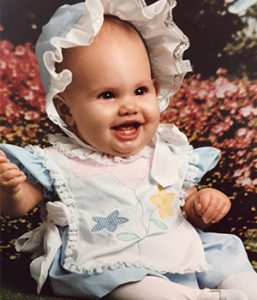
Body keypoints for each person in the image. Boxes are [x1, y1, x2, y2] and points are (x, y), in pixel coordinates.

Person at [0, 1, 256, 299]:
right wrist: (11, 190)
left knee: (232, 266)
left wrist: (205, 203)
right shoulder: (61, 162)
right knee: (137, 289)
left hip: (175, 248)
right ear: (66, 110)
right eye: (108, 95)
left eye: (140, 90)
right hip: (107, 262)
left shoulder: (169, 152)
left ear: (155, 87)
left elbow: (186, 206)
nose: (129, 106)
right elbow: (19, 205)